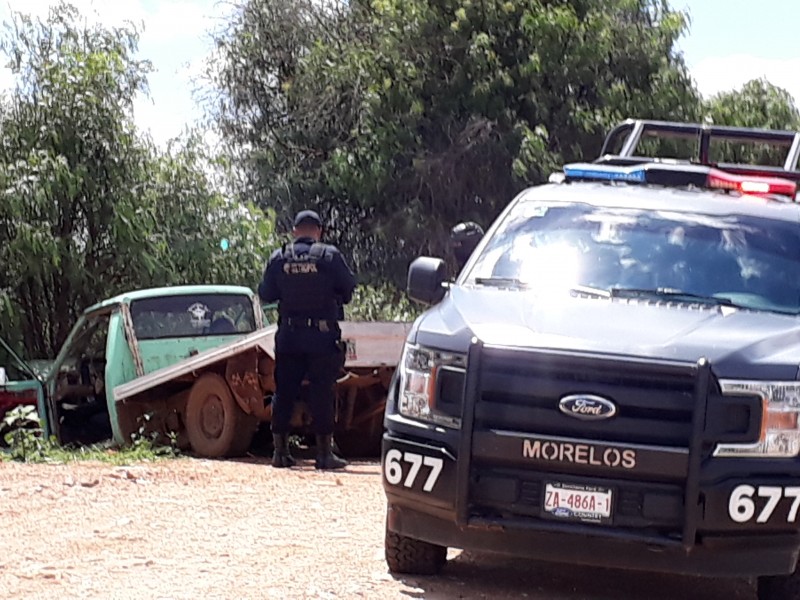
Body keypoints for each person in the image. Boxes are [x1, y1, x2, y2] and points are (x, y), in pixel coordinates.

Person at [258, 209, 357, 470]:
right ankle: (323, 455)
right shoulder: (329, 256)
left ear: (294, 232)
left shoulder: (279, 258)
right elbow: (348, 290)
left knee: (285, 391)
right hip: (321, 336)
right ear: (319, 232)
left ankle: (280, 453)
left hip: (289, 335)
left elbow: (266, 293)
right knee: (322, 391)